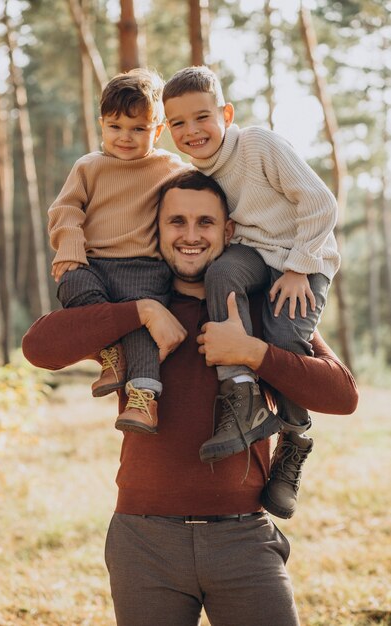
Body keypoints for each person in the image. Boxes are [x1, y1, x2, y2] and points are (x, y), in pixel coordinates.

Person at [23, 170, 358, 626]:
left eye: (205, 222)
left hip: (244, 538)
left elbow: (343, 395)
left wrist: (253, 352)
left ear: (229, 231)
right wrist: (140, 311)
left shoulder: (263, 307)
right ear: (155, 232)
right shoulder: (134, 310)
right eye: (176, 222)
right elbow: (39, 348)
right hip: (143, 540)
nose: (191, 235)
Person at [162, 66, 341, 518]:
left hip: (304, 255)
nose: (192, 131)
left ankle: (295, 437)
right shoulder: (197, 172)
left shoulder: (259, 145)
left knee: (281, 336)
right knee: (221, 275)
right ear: (166, 129)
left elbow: (321, 204)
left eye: (202, 117)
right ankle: (243, 401)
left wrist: (300, 268)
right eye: (178, 123)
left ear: (225, 113)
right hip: (254, 255)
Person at [48, 67, 188, 434]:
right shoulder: (89, 167)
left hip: (146, 269)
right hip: (94, 265)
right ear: (102, 125)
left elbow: (202, 192)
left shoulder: (170, 167)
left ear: (157, 131)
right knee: (71, 282)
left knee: (141, 328)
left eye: (138, 129)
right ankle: (111, 353)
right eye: (116, 127)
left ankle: (143, 398)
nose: (125, 137)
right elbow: (66, 210)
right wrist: (70, 248)